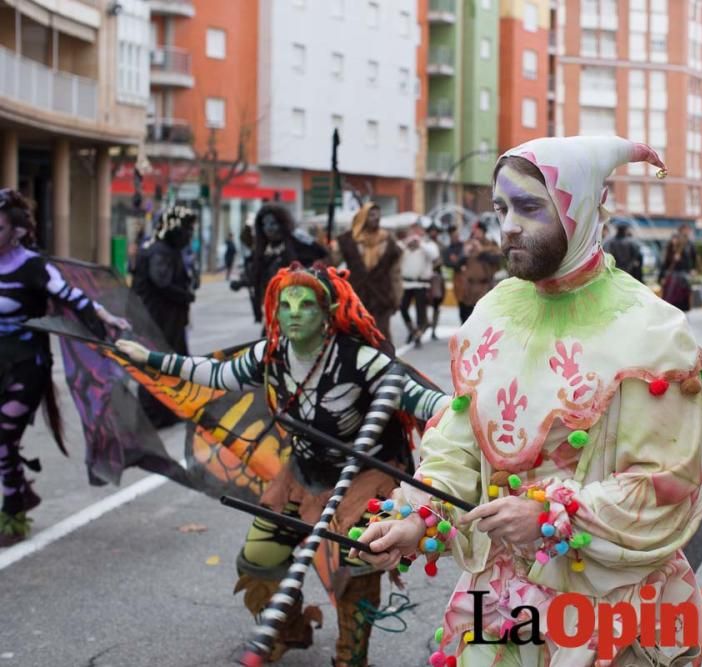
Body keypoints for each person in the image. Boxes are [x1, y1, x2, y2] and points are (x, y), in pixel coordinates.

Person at [353, 136, 702, 666]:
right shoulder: (492, 314)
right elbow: (457, 446)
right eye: (501, 208)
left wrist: (550, 516)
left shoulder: (650, 330)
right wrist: (417, 518)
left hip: (601, 611)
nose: (509, 226)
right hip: (499, 612)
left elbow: (667, 486)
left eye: (529, 206)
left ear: (582, 205)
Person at [117, 263, 448, 665]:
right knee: (259, 559)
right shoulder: (270, 354)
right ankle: (289, 629)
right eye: (285, 305)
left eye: (306, 304)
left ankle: (351, 657)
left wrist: (461, 408)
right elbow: (217, 374)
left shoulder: (362, 360)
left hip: (363, 479)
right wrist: (151, 359)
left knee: (357, 567)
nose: (293, 313)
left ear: (327, 313)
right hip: (303, 476)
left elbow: (422, 399)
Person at [0, 189, 129, 545]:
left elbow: (72, 296)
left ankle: (13, 511)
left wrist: (105, 317)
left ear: (18, 231)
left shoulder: (33, 266)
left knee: (3, 434)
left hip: (27, 366)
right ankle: (19, 492)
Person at [131, 205, 199, 427]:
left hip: (164, 319)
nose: (189, 235)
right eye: (187, 230)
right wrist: (186, 296)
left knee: (168, 363)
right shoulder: (160, 251)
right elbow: (161, 281)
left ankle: (166, 411)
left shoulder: (164, 249)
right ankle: (156, 414)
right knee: (159, 364)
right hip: (158, 319)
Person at [231, 204, 328, 325]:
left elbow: (320, 255)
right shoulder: (262, 251)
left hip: (295, 308)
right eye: (264, 224)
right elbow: (256, 275)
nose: (268, 228)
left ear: (282, 224)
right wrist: (241, 282)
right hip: (271, 310)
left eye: (273, 223)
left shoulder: (296, 242)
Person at [335, 203, 403, 345]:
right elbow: (331, 263)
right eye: (372, 215)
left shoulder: (388, 240)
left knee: (381, 336)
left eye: (378, 214)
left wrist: (397, 297)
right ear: (363, 217)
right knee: (356, 336)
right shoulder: (348, 240)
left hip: (382, 297)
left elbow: (395, 273)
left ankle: (386, 364)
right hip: (356, 297)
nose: (376, 218)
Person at [399, 223, 440, 348]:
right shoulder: (404, 245)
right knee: (403, 308)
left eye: (418, 230)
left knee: (420, 311)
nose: (415, 233)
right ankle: (412, 330)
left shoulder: (428, 244)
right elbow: (395, 251)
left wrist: (420, 244)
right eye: (413, 230)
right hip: (406, 283)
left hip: (421, 283)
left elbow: (434, 255)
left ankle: (418, 334)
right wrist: (407, 243)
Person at [454, 221, 503, 323]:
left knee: (482, 316)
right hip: (469, 287)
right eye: (474, 231)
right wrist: (465, 254)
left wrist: (481, 251)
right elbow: (457, 264)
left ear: (483, 232)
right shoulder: (468, 244)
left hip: (484, 286)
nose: (475, 233)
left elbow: (497, 260)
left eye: (478, 231)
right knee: (465, 315)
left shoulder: (491, 244)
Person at [658, 225, 698, 312]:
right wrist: (661, 277)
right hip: (672, 275)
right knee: (670, 295)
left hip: (681, 275)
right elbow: (665, 264)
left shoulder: (685, 247)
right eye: (673, 239)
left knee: (680, 295)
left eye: (676, 239)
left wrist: (691, 268)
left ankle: (680, 310)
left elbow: (691, 259)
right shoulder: (669, 249)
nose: (674, 241)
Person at [426, 225, 447, 340]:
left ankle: (433, 328)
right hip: (425, 277)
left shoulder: (441, 246)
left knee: (436, 304)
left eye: (435, 231)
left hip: (437, 278)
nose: (433, 233)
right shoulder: (424, 244)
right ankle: (423, 325)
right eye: (431, 231)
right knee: (423, 303)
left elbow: (443, 260)